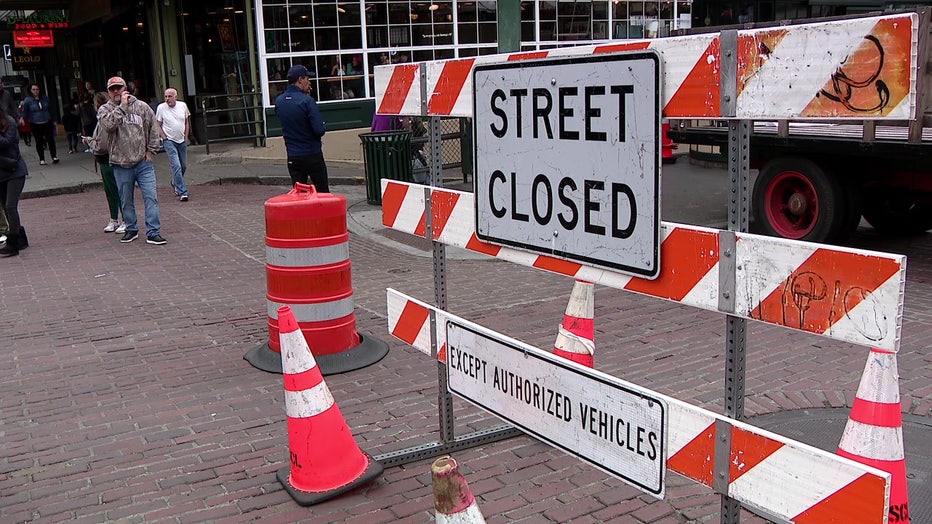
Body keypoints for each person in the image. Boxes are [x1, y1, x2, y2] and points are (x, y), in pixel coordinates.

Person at [96, 76, 165, 245]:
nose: (116, 91)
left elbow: (153, 129)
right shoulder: (105, 110)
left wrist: (151, 151)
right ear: (108, 92)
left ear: (125, 88)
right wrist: (123, 107)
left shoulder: (142, 107)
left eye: (118, 87)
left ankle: (153, 231)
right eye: (112, 89)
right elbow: (108, 126)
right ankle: (131, 228)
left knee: (151, 196)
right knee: (125, 199)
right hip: (120, 164)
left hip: (143, 162)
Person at [274, 65, 329, 191]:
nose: (309, 82)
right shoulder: (307, 101)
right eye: (307, 79)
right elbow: (319, 130)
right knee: (322, 192)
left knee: (300, 193)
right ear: (300, 79)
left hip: (293, 156)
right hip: (312, 154)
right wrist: (324, 125)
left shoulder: (279, 101)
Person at [83, 91, 125, 235]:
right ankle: (116, 219)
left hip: (109, 157)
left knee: (115, 190)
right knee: (113, 190)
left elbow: (102, 143)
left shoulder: (106, 119)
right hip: (108, 157)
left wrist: (90, 142)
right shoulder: (107, 118)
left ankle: (122, 219)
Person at [0, 107, 28, 256]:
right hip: (1, 172)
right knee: (5, 206)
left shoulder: (9, 122)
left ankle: (14, 242)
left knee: (11, 206)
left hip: (14, 170)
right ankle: (21, 237)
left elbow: (7, 142)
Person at [155, 88, 192, 202]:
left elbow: (186, 121)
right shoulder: (161, 108)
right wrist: (164, 137)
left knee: (183, 165)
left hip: (181, 140)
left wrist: (186, 136)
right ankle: (182, 191)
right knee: (176, 165)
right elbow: (158, 124)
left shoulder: (182, 106)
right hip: (169, 140)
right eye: (166, 96)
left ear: (176, 97)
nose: (167, 99)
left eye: (170, 96)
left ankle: (175, 181)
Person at [19, 83, 59, 165]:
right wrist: (22, 118)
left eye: (37, 89)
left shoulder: (45, 98)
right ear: (30, 90)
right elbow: (25, 111)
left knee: (50, 139)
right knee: (39, 141)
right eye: (33, 89)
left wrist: (54, 120)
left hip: (46, 121)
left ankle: (54, 156)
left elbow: (51, 109)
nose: (35, 91)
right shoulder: (28, 100)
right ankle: (42, 159)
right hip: (35, 123)